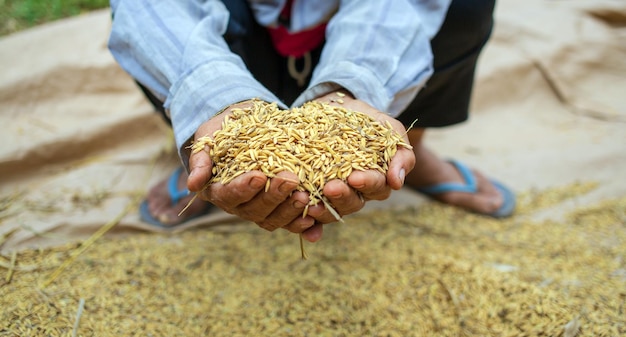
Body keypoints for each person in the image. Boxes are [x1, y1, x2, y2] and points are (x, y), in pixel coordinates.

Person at [108, 0, 515, 243]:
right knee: (150, 35)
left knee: (463, 6)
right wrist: (218, 99)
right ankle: (209, 147)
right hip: (238, 36)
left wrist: (352, 85)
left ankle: (414, 146)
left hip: (358, 30)